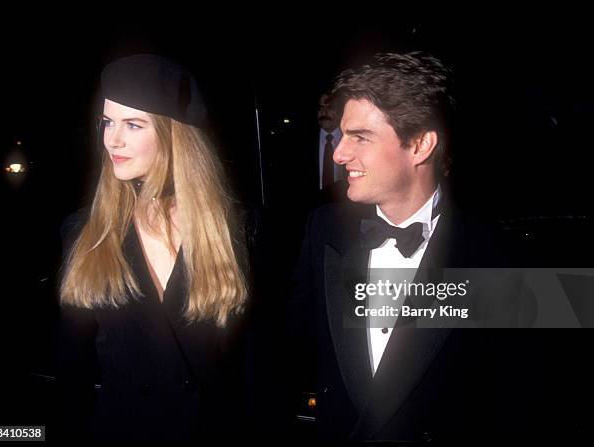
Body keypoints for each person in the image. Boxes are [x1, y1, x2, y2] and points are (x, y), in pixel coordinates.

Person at [289, 51, 585, 443]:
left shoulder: (498, 258)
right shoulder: (323, 231)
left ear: (421, 145)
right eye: (342, 135)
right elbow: (289, 359)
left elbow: (526, 408)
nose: (339, 153)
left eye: (360, 137)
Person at [57, 54, 250, 442]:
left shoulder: (237, 229)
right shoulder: (85, 231)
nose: (112, 139)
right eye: (108, 122)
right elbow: (71, 375)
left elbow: (258, 370)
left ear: (172, 134)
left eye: (132, 124)